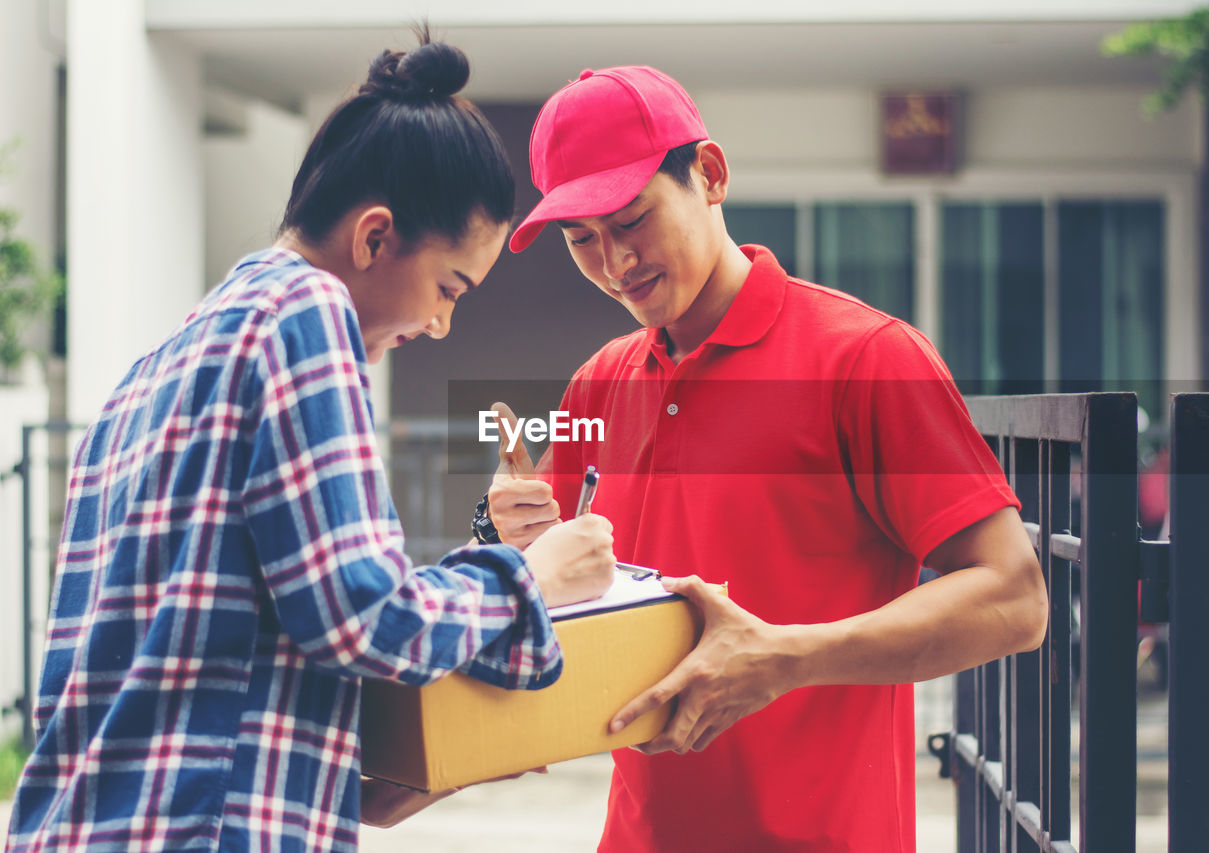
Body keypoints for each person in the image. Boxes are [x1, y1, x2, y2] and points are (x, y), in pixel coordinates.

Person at [5, 32, 615, 853]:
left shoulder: (152, 372)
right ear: (373, 237)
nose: (439, 325)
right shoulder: (305, 316)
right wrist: (528, 582)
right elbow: (363, 616)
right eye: (447, 288)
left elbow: (262, 634)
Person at [482, 66, 1048, 850]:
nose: (614, 264)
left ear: (709, 174)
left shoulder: (868, 360)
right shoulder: (598, 384)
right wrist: (501, 525)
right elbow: (536, 559)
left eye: (632, 220)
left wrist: (786, 657)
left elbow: (1015, 599)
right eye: (583, 239)